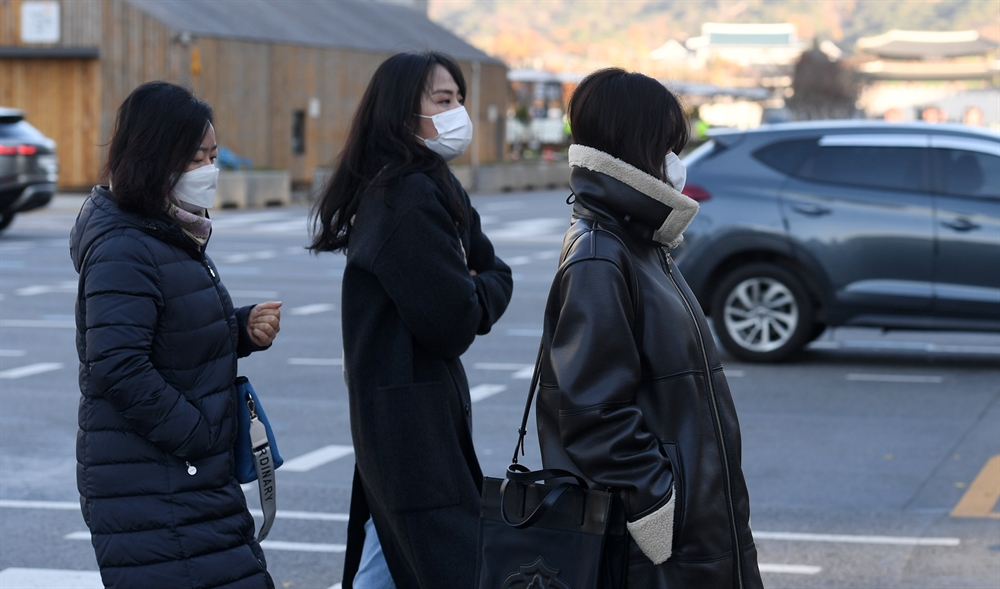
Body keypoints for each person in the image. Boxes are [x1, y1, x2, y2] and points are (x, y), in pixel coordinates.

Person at [533, 68, 764, 587]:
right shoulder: (602, 253)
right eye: (666, 146)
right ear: (635, 145)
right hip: (658, 548)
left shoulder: (640, 242)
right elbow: (594, 412)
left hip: (695, 530)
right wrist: (656, 501)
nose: (675, 163)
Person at [309, 52, 513, 588]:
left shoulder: (426, 183)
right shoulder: (407, 197)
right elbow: (454, 320)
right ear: (402, 113)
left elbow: (490, 270)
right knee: (432, 558)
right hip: (412, 426)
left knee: (392, 554)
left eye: (460, 101)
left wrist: (475, 283)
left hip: (405, 416)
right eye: (443, 101)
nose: (457, 113)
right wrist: (475, 286)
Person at [70, 82, 282, 589]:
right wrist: (198, 434)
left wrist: (239, 329)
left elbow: (168, 334)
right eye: (195, 157)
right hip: (155, 484)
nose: (209, 169)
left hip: (186, 479)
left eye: (212, 154)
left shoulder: (168, 233)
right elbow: (118, 364)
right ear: (155, 156)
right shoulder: (126, 246)